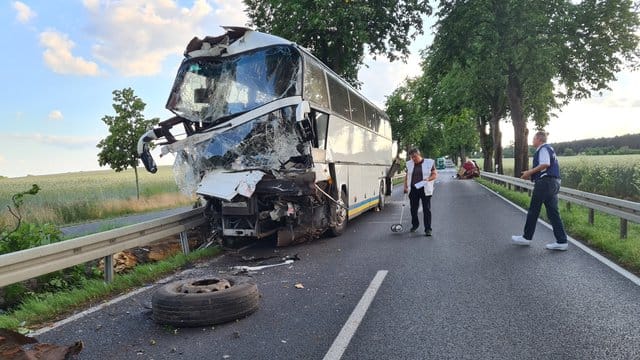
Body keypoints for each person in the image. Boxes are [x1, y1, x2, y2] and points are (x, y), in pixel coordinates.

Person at [511, 131, 569, 251]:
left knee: (533, 210)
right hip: (554, 183)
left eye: (533, 138)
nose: (532, 140)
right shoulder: (549, 149)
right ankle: (562, 241)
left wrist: (529, 172)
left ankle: (526, 238)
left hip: (545, 183)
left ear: (539, 139)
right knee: (553, 213)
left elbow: (545, 164)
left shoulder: (543, 149)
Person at [404, 148, 438, 236]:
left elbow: (434, 174)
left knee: (426, 209)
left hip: (425, 188)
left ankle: (428, 229)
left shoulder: (429, 162)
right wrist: (405, 187)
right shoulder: (409, 164)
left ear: (419, 155)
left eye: (414, 157)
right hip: (413, 189)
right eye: (411, 157)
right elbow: (407, 176)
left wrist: (428, 179)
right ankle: (415, 225)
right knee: (413, 209)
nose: (413, 159)